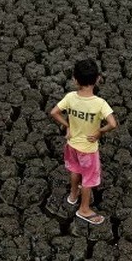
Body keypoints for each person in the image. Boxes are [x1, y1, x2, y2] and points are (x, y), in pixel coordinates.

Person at [49, 59, 118, 225]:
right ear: (98, 79)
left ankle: (73, 196)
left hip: (72, 144)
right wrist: (100, 131)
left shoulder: (70, 97)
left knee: (74, 169)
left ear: (75, 80)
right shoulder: (100, 104)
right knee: (88, 179)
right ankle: (84, 209)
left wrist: (68, 126)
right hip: (88, 148)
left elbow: (54, 112)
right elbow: (113, 124)